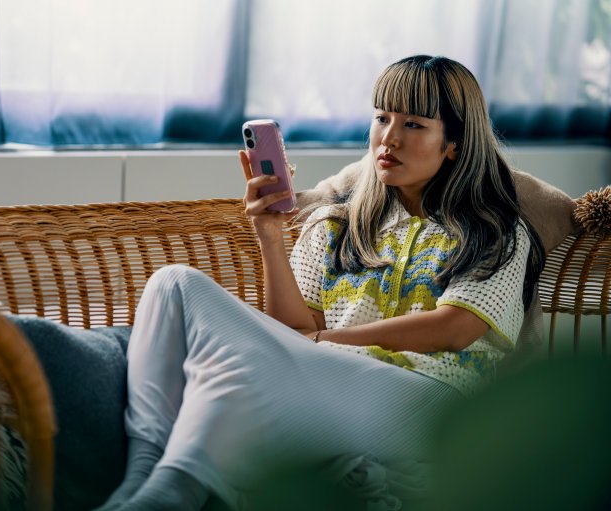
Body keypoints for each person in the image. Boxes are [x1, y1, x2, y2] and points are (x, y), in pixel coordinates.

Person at [97, 55, 545, 511]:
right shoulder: (335, 224)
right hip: (326, 382)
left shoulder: (496, 232)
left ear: (453, 143)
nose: (388, 138)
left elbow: (453, 328)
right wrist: (269, 238)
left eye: (413, 124)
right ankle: (143, 479)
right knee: (174, 284)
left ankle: (170, 493)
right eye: (381, 118)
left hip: (432, 404)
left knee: (247, 361)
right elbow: (293, 328)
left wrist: (324, 339)